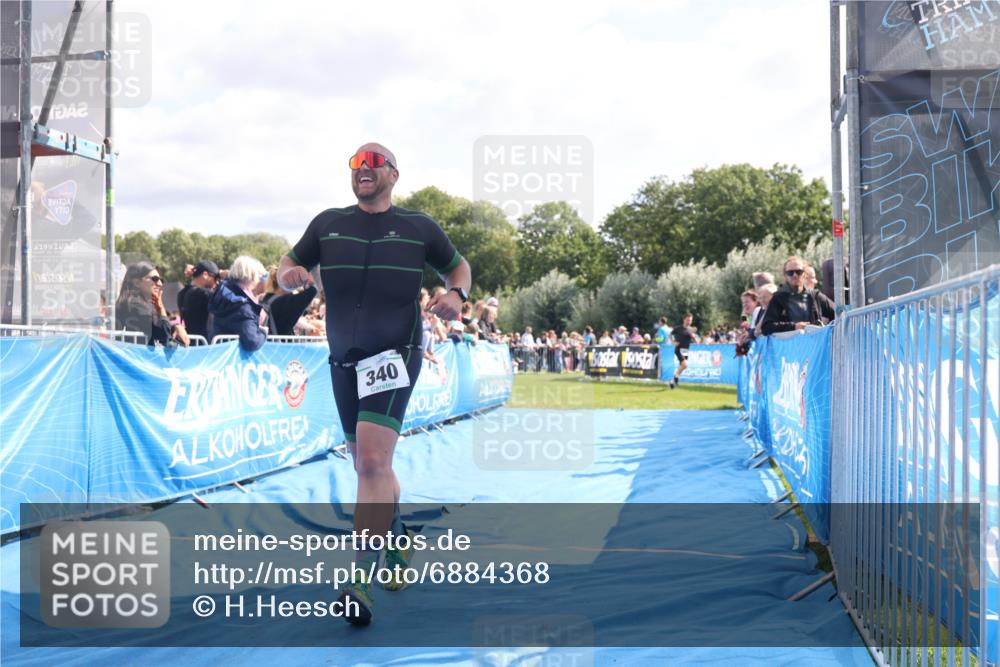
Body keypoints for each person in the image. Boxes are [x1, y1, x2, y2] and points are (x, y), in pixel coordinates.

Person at [277, 142, 470, 626]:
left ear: (394, 174)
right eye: (356, 163)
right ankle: (399, 533)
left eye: (373, 161)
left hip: (395, 352)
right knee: (368, 463)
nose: (363, 168)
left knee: (370, 461)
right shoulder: (328, 222)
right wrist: (290, 273)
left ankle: (360, 581)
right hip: (343, 359)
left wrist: (457, 294)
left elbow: (458, 268)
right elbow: (284, 266)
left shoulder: (418, 226)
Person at [116, 262, 190, 346]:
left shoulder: (136, 303)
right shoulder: (133, 304)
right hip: (135, 357)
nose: (160, 284)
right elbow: (163, 333)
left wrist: (176, 327)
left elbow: (159, 327)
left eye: (160, 280)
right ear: (136, 282)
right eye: (154, 279)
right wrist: (161, 308)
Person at [761, 256, 836, 335]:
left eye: (798, 272)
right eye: (790, 273)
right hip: (790, 346)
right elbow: (766, 327)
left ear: (804, 274)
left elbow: (839, 314)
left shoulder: (815, 296)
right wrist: (794, 327)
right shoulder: (778, 298)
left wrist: (828, 330)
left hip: (814, 345)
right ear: (785, 276)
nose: (795, 275)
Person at [208, 256, 268, 351]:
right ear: (252, 276)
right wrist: (263, 332)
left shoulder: (222, 292)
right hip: (233, 362)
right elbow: (252, 342)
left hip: (217, 353)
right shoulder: (243, 307)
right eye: (259, 276)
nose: (260, 279)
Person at [261, 265, 319, 335]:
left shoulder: (267, 298)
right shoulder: (285, 301)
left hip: (269, 343)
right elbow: (313, 290)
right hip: (282, 344)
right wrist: (307, 277)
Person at [180, 260, 220, 340]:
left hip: (194, 344)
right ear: (205, 274)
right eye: (216, 278)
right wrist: (225, 274)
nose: (217, 282)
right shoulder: (202, 293)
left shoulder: (182, 293)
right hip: (205, 347)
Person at [669, 313, 700, 388]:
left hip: (685, 350)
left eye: (690, 320)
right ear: (684, 320)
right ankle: (676, 378)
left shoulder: (691, 329)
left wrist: (694, 337)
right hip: (679, 349)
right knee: (685, 364)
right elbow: (670, 335)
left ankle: (673, 381)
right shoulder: (678, 328)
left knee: (683, 366)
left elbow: (698, 342)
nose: (689, 321)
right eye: (688, 320)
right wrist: (673, 342)